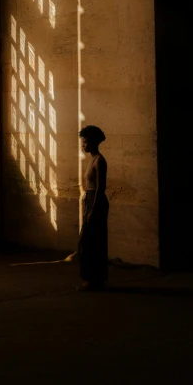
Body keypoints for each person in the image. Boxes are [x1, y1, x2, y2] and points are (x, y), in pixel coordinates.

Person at [77, 125, 109, 291]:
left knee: (90, 242)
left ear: (94, 142)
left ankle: (92, 280)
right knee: (89, 241)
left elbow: (100, 188)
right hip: (90, 200)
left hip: (96, 201)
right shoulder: (93, 159)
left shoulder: (99, 161)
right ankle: (94, 279)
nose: (83, 145)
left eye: (86, 142)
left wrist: (93, 208)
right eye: (82, 142)